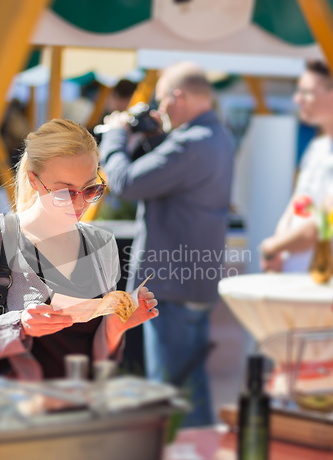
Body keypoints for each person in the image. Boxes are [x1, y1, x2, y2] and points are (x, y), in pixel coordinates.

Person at [0, 119, 158, 380]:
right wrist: (19, 326)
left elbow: (97, 358)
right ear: (34, 180)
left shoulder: (101, 244)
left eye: (90, 189)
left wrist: (116, 327)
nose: (80, 203)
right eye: (65, 192)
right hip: (9, 413)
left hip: (81, 410)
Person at [98, 62, 235, 426]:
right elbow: (175, 180)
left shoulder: (190, 144)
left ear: (179, 97)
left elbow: (125, 181)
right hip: (194, 281)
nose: (160, 112)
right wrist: (154, 138)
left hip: (172, 287)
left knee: (170, 395)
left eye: (161, 103)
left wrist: (114, 135)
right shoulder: (216, 137)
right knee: (191, 387)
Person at [260, 60, 333, 273]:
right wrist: (277, 249)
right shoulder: (318, 146)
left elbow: (325, 225)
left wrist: (272, 247)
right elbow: (296, 205)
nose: (297, 99)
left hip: (329, 284)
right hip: (296, 278)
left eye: (307, 92)